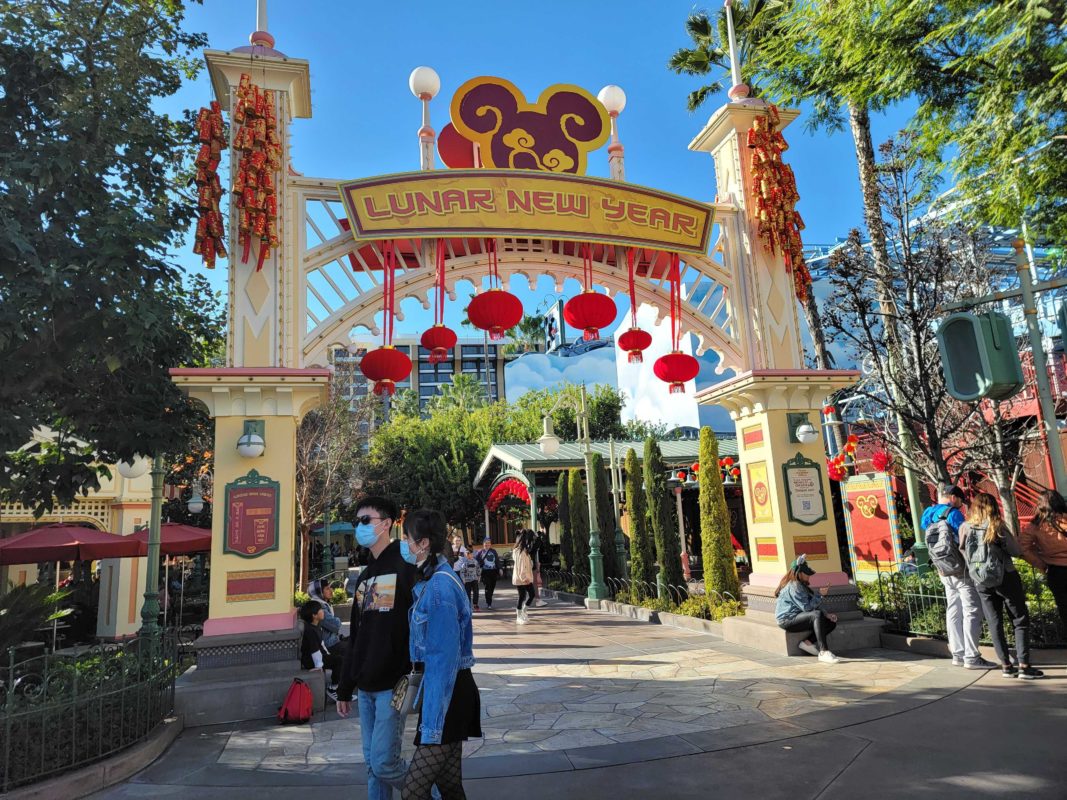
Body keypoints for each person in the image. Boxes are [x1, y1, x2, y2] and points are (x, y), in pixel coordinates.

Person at [336, 496, 418, 800]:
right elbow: (356, 635)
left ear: (387, 524)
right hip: (365, 688)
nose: (360, 526)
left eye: (366, 520)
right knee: (373, 766)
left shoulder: (407, 565)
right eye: (358, 521)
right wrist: (346, 687)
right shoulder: (366, 577)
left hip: (392, 686)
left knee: (385, 763)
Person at [401, 510, 481, 800]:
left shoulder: (440, 587)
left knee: (412, 792)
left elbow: (442, 660)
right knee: (449, 786)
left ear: (422, 543)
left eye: (407, 539)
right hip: (447, 691)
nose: (405, 545)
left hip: (448, 694)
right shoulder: (433, 581)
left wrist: (432, 721)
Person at [960, 492, 1044, 680]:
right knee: (1019, 619)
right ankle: (1024, 666)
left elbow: (963, 551)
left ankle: (1006, 665)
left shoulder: (965, 527)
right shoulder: (997, 525)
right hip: (1005, 576)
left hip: (981, 581)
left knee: (994, 622)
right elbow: (1015, 550)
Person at [920, 485, 996, 669]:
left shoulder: (928, 514)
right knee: (971, 610)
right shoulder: (953, 514)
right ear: (953, 498)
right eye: (960, 501)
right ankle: (972, 656)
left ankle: (957, 653)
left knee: (953, 609)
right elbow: (965, 538)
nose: (962, 505)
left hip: (943, 569)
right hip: (960, 569)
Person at [774, 555, 840, 663]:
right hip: (787, 620)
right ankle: (824, 652)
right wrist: (820, 595)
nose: (809, 576)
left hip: (798, 616)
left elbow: (812, 603)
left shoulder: (801, 585)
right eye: (807, 573)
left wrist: (826, 614)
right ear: (798, 573)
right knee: (817, 615)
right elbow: (807, 608)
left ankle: (807, 643)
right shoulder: (794, 586)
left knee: (830, 623)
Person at [1020, 490, 1067, 632]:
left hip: (1055, 571)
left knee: (1064, 608)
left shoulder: (1036, 526)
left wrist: (1041, 564)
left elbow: (1022, 548)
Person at [300, 600, 342, 697]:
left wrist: (327, 654)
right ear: (314, 615)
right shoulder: (310, 630)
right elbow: (314, 650)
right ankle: (333, 688)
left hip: (319, 655)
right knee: (339, 660)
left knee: (339, 658)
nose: (323, 612)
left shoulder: (317, 626)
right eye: (320, 610)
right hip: (311, 660)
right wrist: (318, 666)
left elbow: (321, 644)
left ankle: (339, 687)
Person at [308, 578, 343, 649]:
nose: (331, 590)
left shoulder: (320, 604)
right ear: (319, 592)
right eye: (327, 588)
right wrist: (338, 620)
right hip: (329, 645)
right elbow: (336, 625)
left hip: (331, 642)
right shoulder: (319, 607)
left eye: (330, 587)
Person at [512, 530, 536, 625]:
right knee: (522, 596)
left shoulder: (523, 551)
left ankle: (523, 611)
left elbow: (526, 564)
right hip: (521, 578)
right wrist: (524, 577)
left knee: (531, 594)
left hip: (525, 577)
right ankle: (519, 615)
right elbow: (521, 566)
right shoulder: (519, 552)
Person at [474, 537, 500, 609]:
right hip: (485, 572)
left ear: (490, 544)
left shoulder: (493, 551)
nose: (487, 544)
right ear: (483, 544)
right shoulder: (480, 552)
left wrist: (500, 569)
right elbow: (476, 561)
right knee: (487, 587)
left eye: (488, 543)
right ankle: (489, 603)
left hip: (493, 571)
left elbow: (497, 560)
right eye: (486, 543)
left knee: (492, 587)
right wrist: (478, 567)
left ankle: (489, 598)